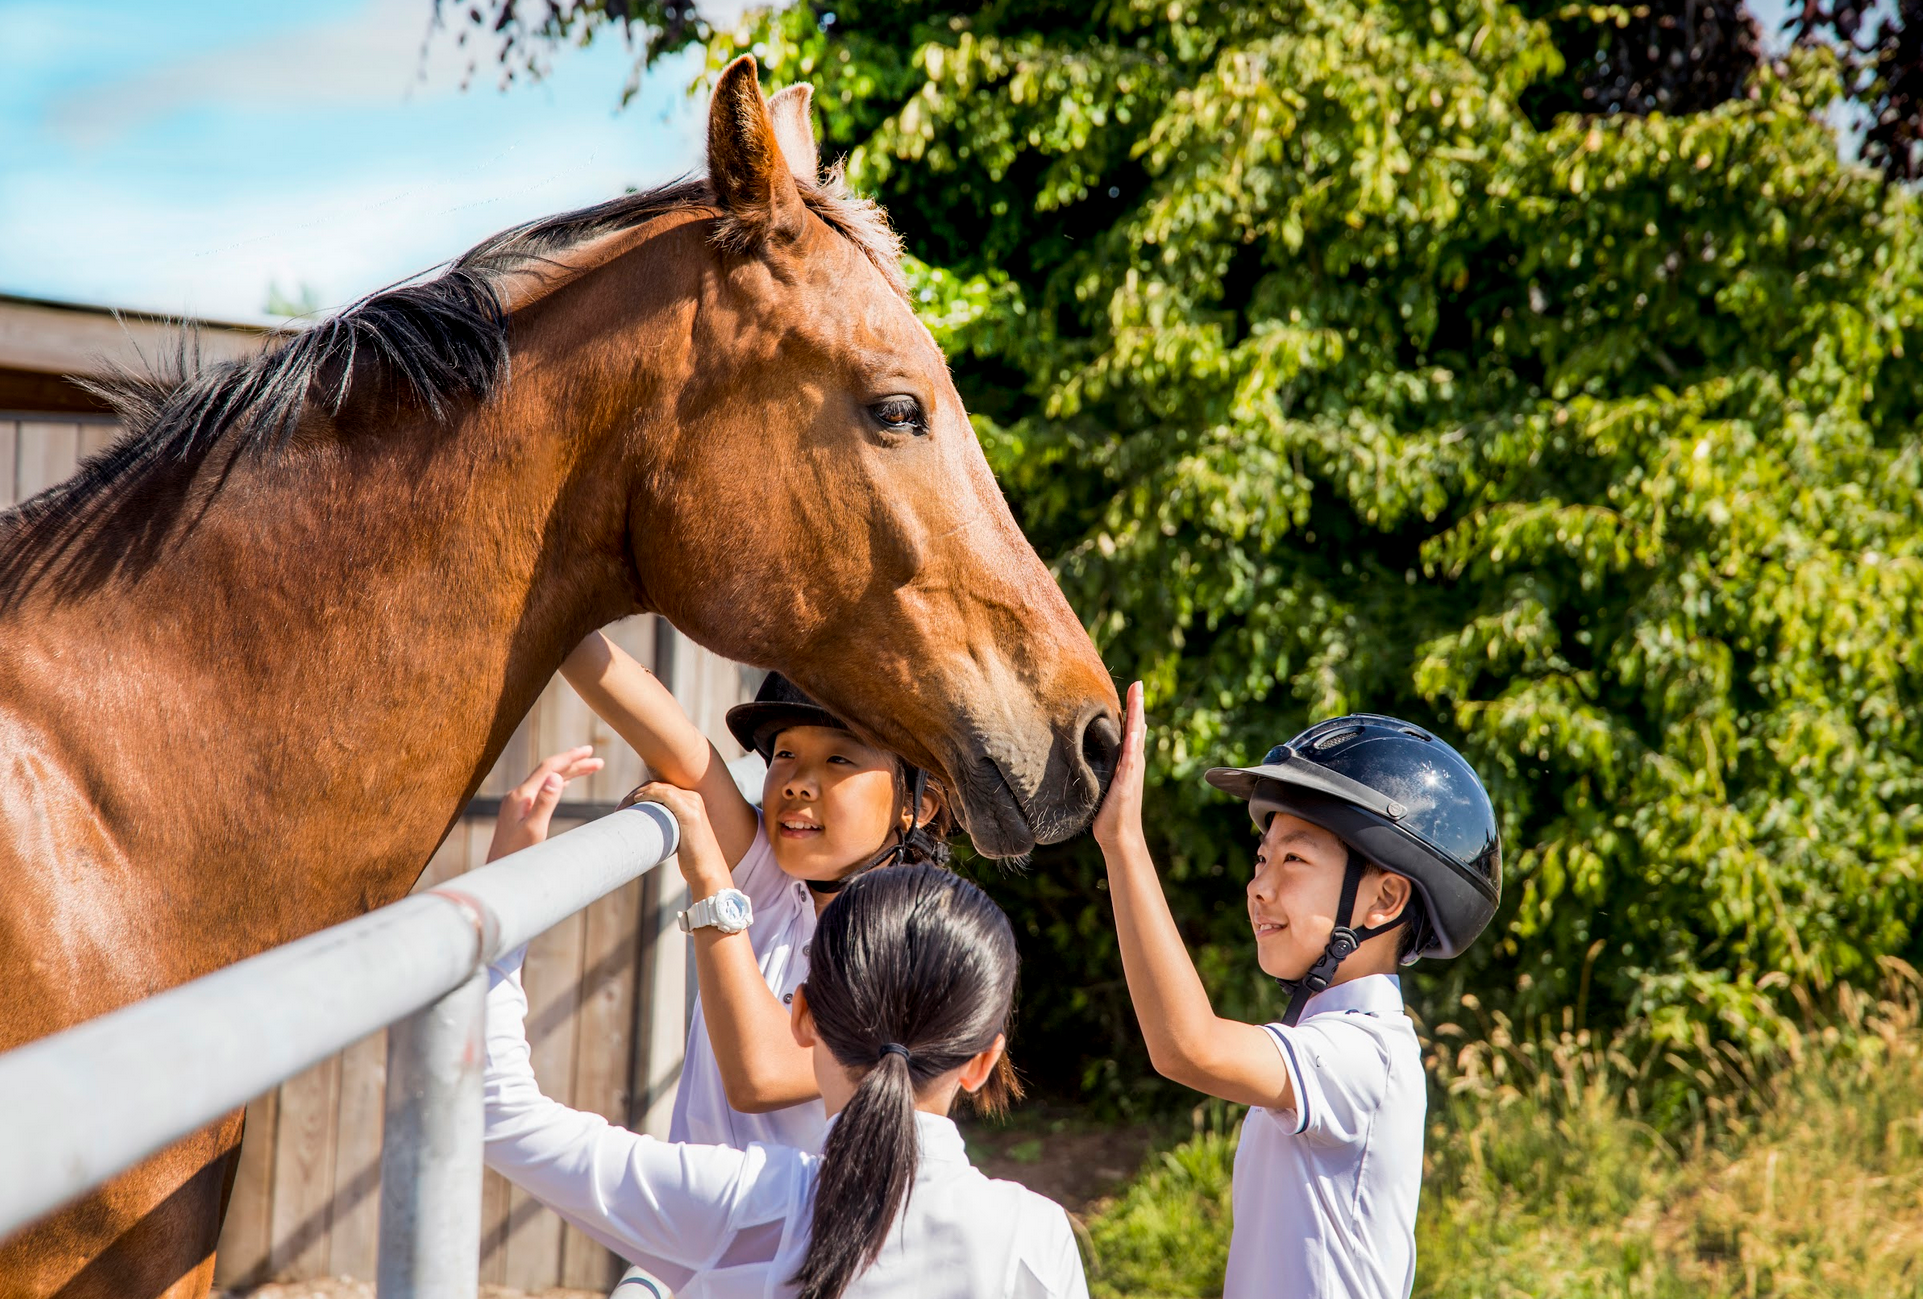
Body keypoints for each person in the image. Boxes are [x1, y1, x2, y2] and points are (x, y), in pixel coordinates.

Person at [479, 836, 1089, 1299]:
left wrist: (511, 887)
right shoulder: (1035, 1237)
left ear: (801, 1018)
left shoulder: (751, 1205)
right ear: (983, 1062)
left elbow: (498, 1112)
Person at [1091, 682, 1502, 1299]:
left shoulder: (1370, 1055)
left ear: (1384, 898)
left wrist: (1123, 842)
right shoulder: (1326, 1041)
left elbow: (1187, 1046)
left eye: (1295, 862)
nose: (1259, 886)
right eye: (1262, 859)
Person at [547, 631, 955, 1155]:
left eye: (839, 760)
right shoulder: (776, 882)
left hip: (809, 1235)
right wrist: (552, 608)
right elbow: (677, 744)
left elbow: (759, 1076)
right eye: (785, 753)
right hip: (697, 1224)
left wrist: (710, 875)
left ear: (916, 807)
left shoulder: (918, 950)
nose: (797, 782)